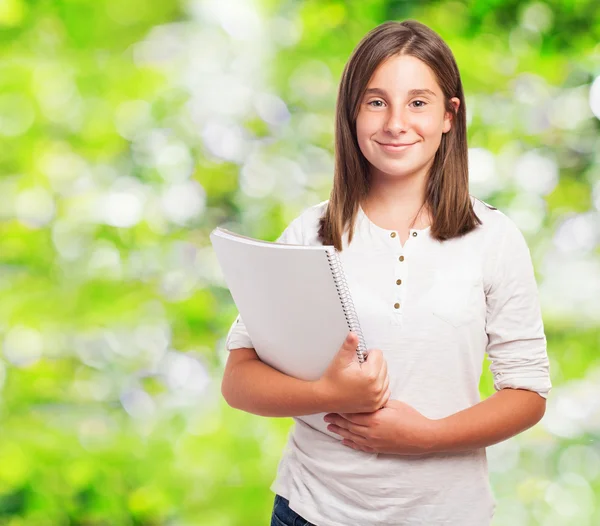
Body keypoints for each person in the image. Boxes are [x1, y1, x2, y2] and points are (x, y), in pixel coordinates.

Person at [221, 19, 552, 526]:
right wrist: (327, 395)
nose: (396, 122)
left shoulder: (495, 238)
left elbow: (526, 393)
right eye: (376, 102)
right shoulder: (311, 232)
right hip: (311, 511)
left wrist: (427, 437)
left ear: (449, 115)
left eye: (418, 102)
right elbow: (238, 381)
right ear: (351, 113)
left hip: (448, 514)